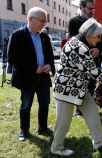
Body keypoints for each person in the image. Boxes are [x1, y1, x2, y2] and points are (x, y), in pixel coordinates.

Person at [51, 18, 102, 156]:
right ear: (88, 34)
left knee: (93, 112)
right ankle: (56, 147)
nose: (100, 40)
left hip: (79, 88)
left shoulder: (78, 42)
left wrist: (90, 54)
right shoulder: (79, 47)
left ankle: (99, 142)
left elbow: (83, 66)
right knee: (63, 121)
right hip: (66, 89)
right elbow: (95, 73)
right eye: (98, 36)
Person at [7, 7, 55, 141]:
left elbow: (50, 55)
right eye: (42, 20)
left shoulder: (44, 36)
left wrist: (49, 65)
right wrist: (33, 68)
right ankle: (24, 130)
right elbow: (12, 58)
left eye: (45, 21)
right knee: (26, 105)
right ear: (30, 19)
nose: (44, 23)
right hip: (27, 77)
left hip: (44, 77)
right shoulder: (17, 35)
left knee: (45, 103)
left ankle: (43, 127)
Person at [68, 0, 102, 116]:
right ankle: (79, 109)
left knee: (92, 83)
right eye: (89, 8)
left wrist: (98, 49)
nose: (92, 11)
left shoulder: (95, 22)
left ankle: (88, 106)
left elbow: (101, 39)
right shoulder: (74, 21)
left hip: (94, 57)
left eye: (93, 9)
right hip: (80, 58)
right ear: (81, 7)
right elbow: (73, 40)